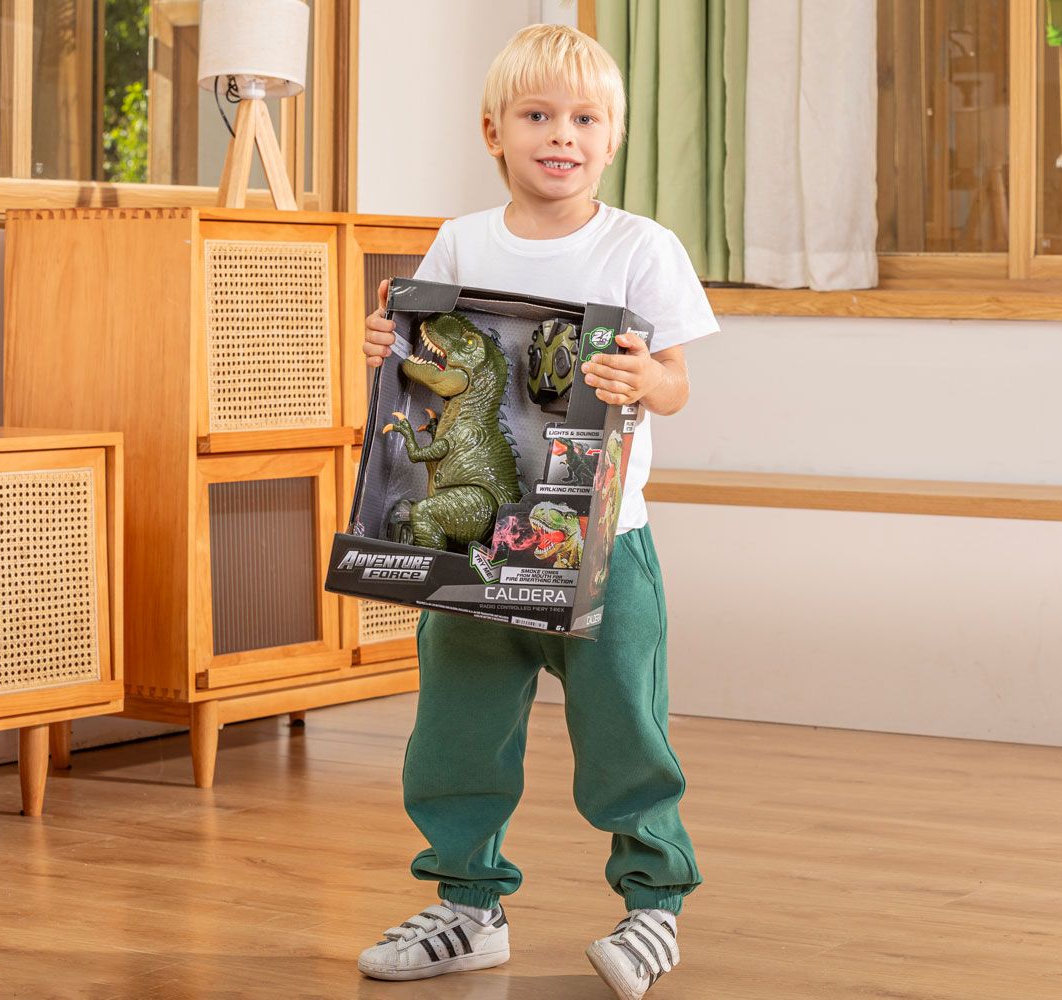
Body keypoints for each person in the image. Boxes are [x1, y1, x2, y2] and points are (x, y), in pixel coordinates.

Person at [355, 23, 718, 1000]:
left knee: (625, 732)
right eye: (537, 115)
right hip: (477, 548)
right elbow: (424, 363)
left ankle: (653, 906)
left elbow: (678, 382)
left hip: (607, 544)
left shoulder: (641, 246)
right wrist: (385, 344)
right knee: (458, 731)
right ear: (494, 132)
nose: (562, 134)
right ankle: (467, 903)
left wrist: (646, 375)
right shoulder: (463, 241)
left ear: (614, 138)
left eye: (585, 118)